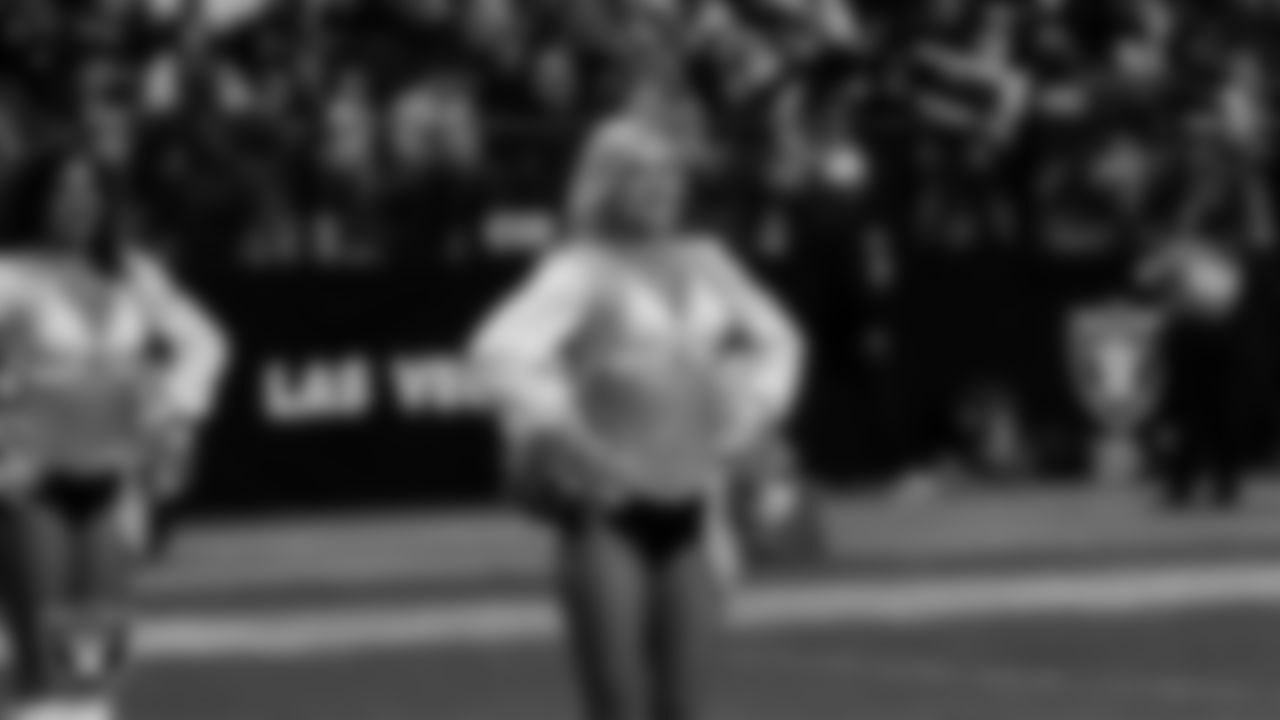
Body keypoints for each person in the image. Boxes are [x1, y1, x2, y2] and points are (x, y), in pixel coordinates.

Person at [472, 114, 804, 720]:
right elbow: (499, 350)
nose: (659, 187)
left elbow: (780, 341)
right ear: (605, 185)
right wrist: (558, 431)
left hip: (696, 509)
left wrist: (750, 419)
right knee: (618, 710)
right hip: (610, 514)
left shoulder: (708, 260)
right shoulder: (580, 268)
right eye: (638, 175)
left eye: (668, 173)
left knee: (683, 709)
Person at [0, 150, 230, 720]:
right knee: (41, 666)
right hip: (32, 479)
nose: (77, 204)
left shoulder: (134, 273)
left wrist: (173, 414)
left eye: (89, 191)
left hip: (116, 477)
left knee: (94, 665)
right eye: (62, 190)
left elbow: (206, 343)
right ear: (38, 200)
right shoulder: (10, 274)